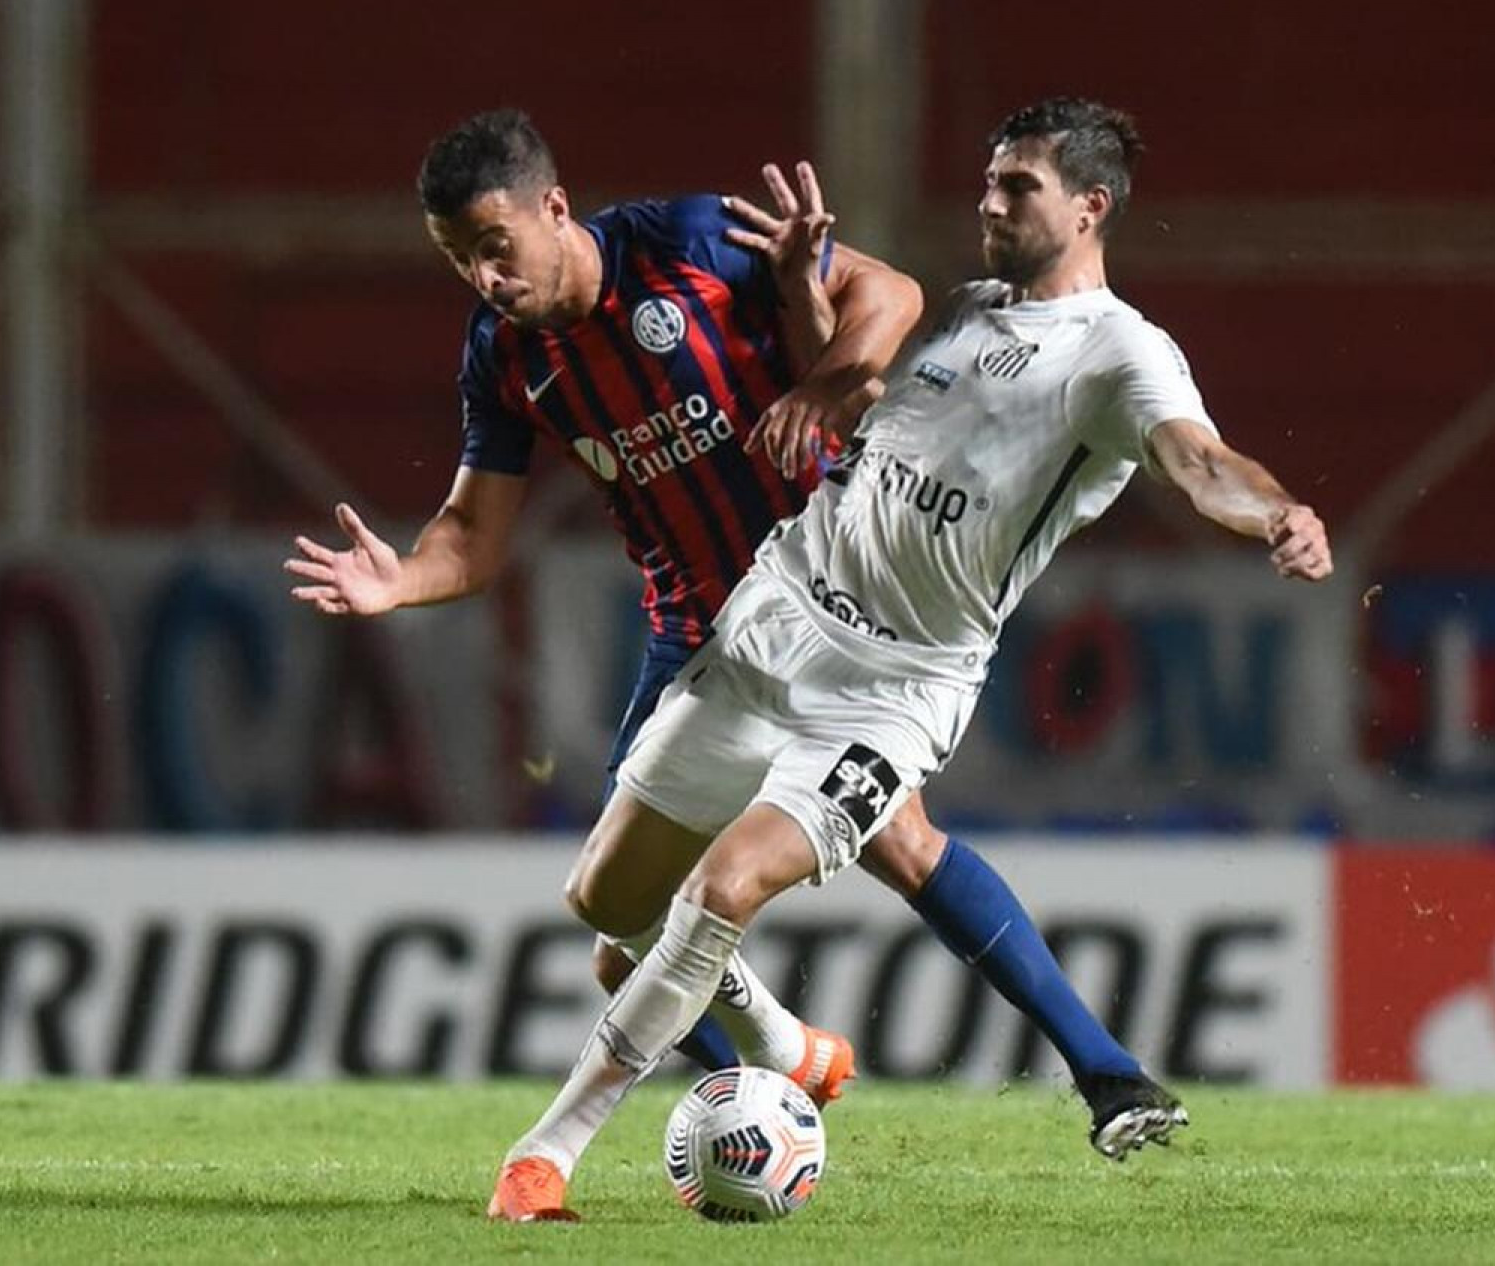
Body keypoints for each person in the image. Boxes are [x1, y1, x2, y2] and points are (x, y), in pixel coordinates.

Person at [486, 96, 1335, 1222]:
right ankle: (792, 1048)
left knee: (727, 884)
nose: (989, 203)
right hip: (774, 618)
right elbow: (854, 412)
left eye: (1017, 186)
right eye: (988, 181)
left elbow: (1200, 457)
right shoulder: (971, 314)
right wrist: (797, 290)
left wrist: (1274, 514)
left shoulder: (1121, 351)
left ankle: (545, 1154)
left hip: (891, 689)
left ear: (1092, 206)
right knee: (608, 904)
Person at [287, 108, 1157, 1130]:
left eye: (494, 246)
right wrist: (401, 584)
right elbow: (471, 540)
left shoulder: (687, 244)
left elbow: (889, 291)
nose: (484, 278)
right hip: (697, 633)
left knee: (901, 845)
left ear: (553, 208)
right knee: (623, 935)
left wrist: (830, 387)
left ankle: (1089, 1073)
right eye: (458, 259)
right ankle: (773, 1087)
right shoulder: (502, 357)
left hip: (834, 602)